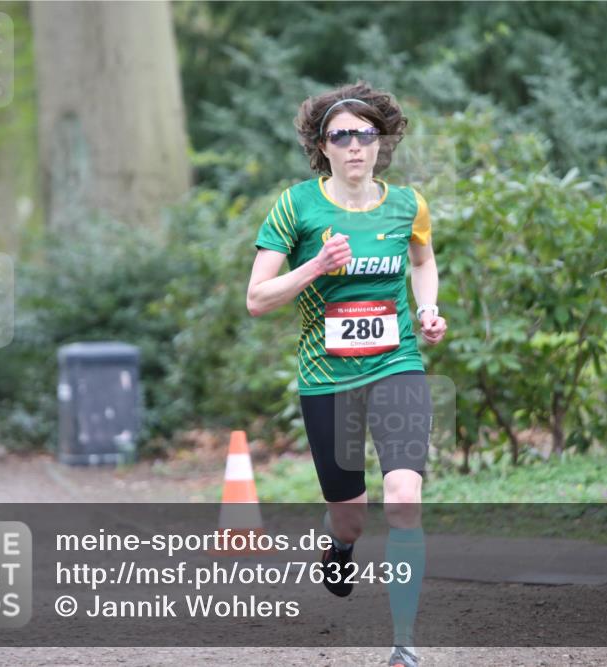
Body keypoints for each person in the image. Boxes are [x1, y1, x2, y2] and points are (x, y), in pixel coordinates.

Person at [246, 81, 447, 667]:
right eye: (342, 136)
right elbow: (257, 299)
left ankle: (404, 643)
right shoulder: (296, 207)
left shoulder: (408, 204)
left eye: (366, 134)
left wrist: (427, 310)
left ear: (380, 142)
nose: (356, 145)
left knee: (405, 496)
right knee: (352, 516)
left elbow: (423, 259)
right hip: (328, 378)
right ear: (322, 146)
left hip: (398, 365)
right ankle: (338, 541)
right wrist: (315, 265)